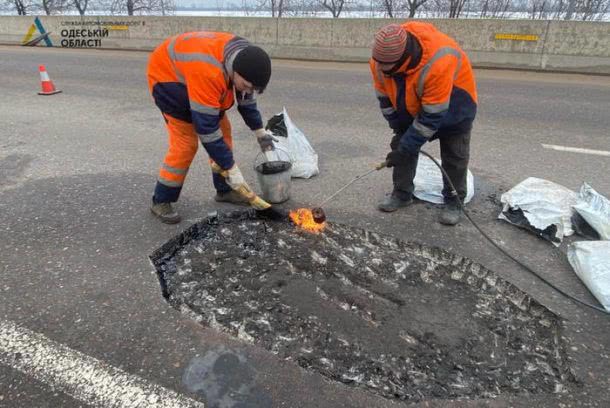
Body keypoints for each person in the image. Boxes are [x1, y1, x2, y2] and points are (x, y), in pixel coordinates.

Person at [147, 31, 275, 224]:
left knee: (224, 133)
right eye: (247, 86)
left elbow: (246, 100)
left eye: (253, 89)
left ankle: (224, 191)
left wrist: (260, 133)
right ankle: (161, 199)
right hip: (168, 80)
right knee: (186, 144)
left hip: (195, 72)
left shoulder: (245, 58)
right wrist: (231, 168)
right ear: (235, 72)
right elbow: (206, 129)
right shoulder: (209, 72)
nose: (249, 91)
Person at [370, 22, 477, 225]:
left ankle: (454, 201)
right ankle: (402, 195)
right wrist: (399, 128)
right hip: (413, 103)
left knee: (455, 155)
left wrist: (408, 144)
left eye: (387, 67)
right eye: (379, 65)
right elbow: (384, 97)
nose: (381, 70)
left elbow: (431, 116)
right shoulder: (380, 61)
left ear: (403, 60)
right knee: (402, 146)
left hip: (455, 106)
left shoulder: (439, 59)